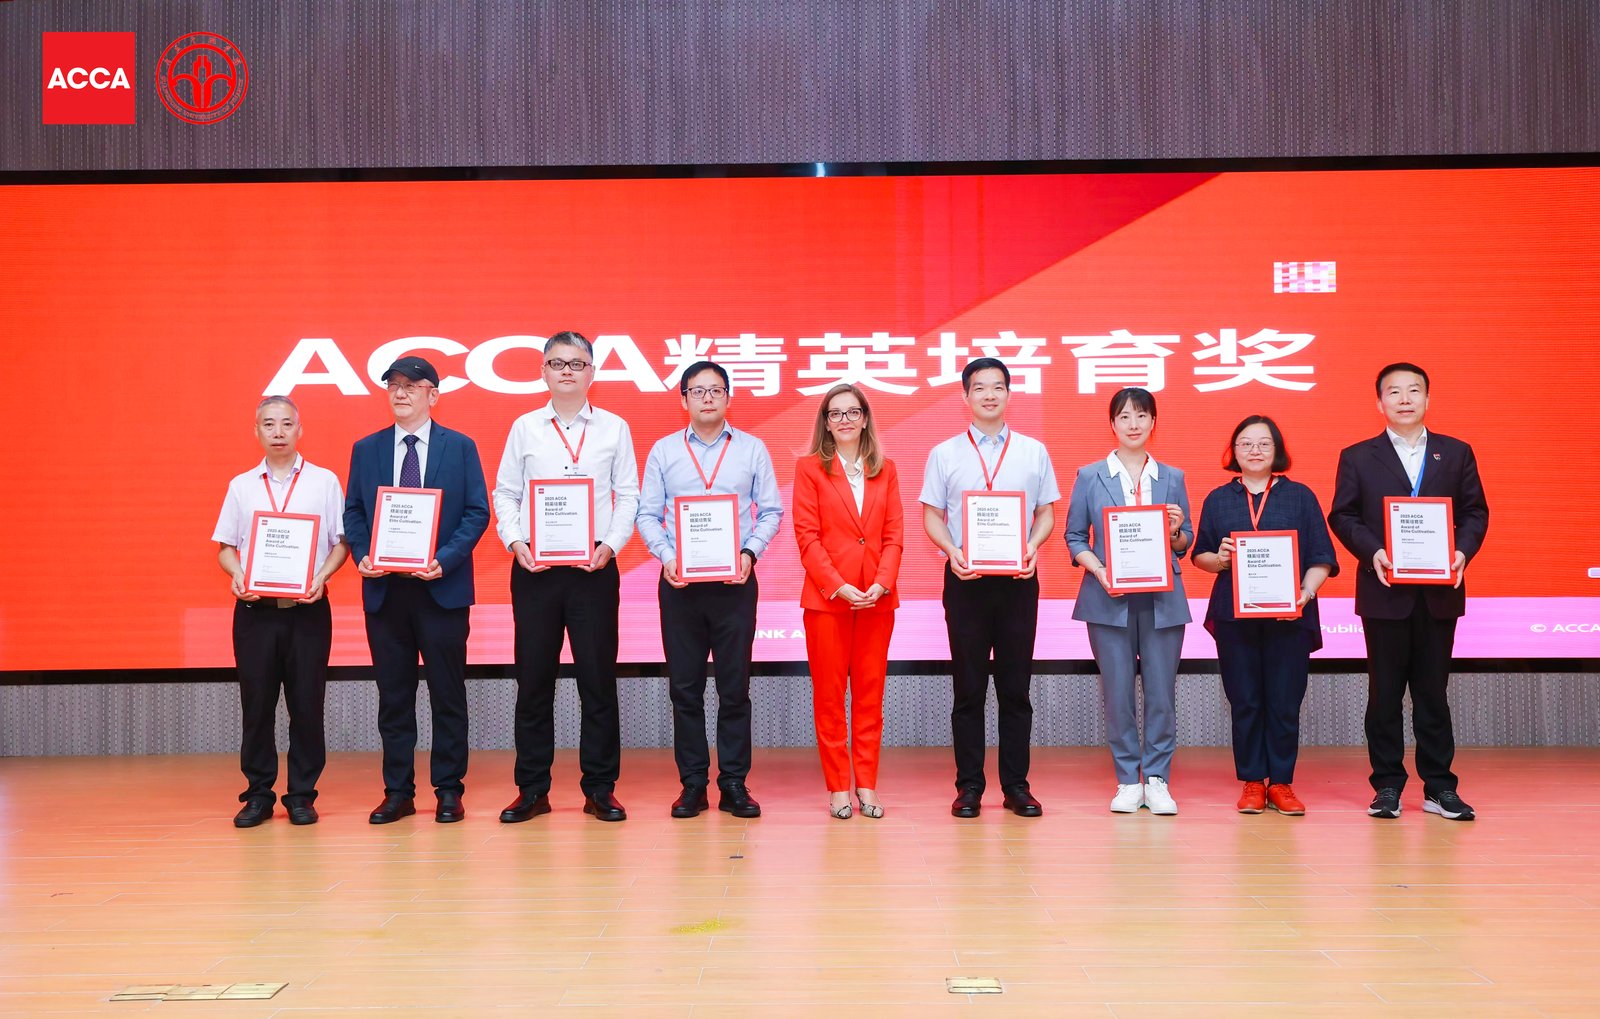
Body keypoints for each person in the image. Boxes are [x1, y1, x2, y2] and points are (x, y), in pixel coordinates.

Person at [1328, 362, 1489, 821]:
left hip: (1439, 592)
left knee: (1433, 693)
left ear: (1427, 399)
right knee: (1384, 695)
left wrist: (1461, 552)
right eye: (1394, 392)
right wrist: (1373, 551)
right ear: (1379, 402)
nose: (1404, 399)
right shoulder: (1358, 456)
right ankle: (1387, 786)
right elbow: (1343, 515)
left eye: (1413, 390)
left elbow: (1475, 512)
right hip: (1384, 591)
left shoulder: (1455, 453)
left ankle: (1440, 787)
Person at [492, 332, 638, 823]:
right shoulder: (524, 427)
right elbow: (506, 492)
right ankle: (532, 789)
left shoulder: (614, 427)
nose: (568, 371)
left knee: (597, 682)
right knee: (533, 682)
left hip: (593, 569)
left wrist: (610, 545)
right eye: (558, 363)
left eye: (577, 363)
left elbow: (628, 494)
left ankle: (600, 789)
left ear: (592, 371)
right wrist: (516, 542)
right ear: (544, 372)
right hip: (535, 570)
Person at [344, 356, 490, 824]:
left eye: (412, 385)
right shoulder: (366, 448)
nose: (401, 392)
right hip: (386, 592)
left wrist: (444, 559)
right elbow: (354, 512)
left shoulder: (460, 447)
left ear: (434, 395)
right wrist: (363, 553)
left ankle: (448, 790)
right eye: (393, 385)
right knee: (394, 697)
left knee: (448, 694)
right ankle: (398, 792)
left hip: (441, 590)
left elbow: (477, 512)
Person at [636, 361, 783, 819]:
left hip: (734, 583)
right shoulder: (663, 450)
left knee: (734, 688)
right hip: (680, 585)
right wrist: (667, 556)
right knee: (685, 689)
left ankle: (734, 783)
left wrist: (749, 553)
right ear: (683, 399)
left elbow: (771, 511)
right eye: (697, 391)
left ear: (728, 397)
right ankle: (693, 784)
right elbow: (647, 514)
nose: (706, 398)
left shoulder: (752, 448)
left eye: (715, 390)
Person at [920, 357, 1059, 819]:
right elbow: (931, 516)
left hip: (1019, 582)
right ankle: (969, 788)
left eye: (998, 387)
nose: (989, 395)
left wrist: (1032, 546)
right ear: (965, 396)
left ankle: (1017, 786)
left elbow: (1046, 513)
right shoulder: (944, 453)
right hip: (966, 582)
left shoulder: (1033, 451)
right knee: (969, 690)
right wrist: (951, 551)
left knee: (1016, 690)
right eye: (979, 387)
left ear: (1009, 394)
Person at [1191, 415, 1338, 815]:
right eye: (1246, 443)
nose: (1254, 450)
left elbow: (1321, 556)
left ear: (1277, 451)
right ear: (1233, 451)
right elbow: (1200, 555)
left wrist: (1305, 594)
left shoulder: (1300, 496)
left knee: (1285, 701)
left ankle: (1282, 783)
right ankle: (1253, 780)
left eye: (1263, 443)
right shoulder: (1218, 498)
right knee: (1245, 700)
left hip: (1289, 617)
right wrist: (1219, 560)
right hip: (1234, 618)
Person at [212, 396, 348, 827]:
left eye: (286, 424)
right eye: (268, 424)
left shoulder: (324, 482)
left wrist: (322, 576)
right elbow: (226, 547)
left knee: (307, 705)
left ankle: (302, 795)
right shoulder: (241, 485)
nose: (278, 432)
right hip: (255, 613)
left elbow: (342, 542)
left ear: (299, 430)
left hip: (308, 611)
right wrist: (237, 574)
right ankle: (258, 795)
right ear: (256, 431)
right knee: (257, 706)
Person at [1065, 387, 1193, 816]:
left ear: (1154, 422)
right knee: (1117, 692)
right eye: (1124, 416)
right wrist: (1100, 571)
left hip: (1162, 599)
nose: (1133, 424)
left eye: (1141, 415)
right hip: (1108, 598)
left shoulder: (1172, 476)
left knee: (1161, 693)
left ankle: (1156, 779)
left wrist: (1176, 531)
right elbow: (1075, 536)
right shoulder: (1089, 476)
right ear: (1112, 424)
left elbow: (1185, 541)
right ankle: (1126, 779)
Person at [793, 384, 904, 819]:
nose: (844, 420)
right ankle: (839, 787)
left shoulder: (886, 469)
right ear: (825, 422)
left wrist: (882, 583)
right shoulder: (809, 469)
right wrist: (838, 585)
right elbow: (807, 537)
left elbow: (894, 535)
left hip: (877, 601)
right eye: (835, 413)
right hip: (828, 602)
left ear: (865, 419)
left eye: (852, 412)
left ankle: (868, 785)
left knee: (870, 697)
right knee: (829, 698)